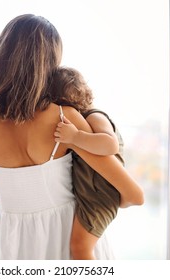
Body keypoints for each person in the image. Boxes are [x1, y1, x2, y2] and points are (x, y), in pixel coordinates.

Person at [0, 14, 144, 260]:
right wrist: (97, 209)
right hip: (66, 241)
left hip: (9, 244)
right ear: (49, 64)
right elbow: (133, 194)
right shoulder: (63, 118)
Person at [50, 66, 125, 259]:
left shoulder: (95, 116)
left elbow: (110, 145)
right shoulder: (82, 118)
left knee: (80, 248)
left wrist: (75, 137)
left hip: (101, 192)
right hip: (91, 190)